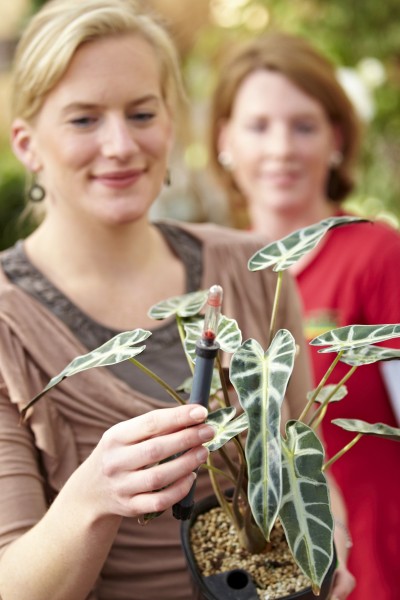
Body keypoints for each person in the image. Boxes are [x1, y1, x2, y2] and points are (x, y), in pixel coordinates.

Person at [0, 4, 313, 600]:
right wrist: (94, 496)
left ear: (171, 124)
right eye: (84, 119)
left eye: (142, 113)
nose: (120, 145)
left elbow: (306, 469)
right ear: (28, 144)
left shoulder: (256, 271)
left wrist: (331, 555)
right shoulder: (7, 326)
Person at [208, 31, 400, 600]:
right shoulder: (211, 273)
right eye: (258, 125)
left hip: (371, 562)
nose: (281, 149)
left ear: (336, 138)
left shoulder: (377, 254)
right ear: (224, 140)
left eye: (304, 125)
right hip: (259, 569)